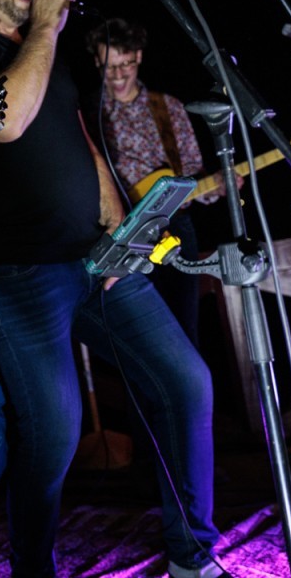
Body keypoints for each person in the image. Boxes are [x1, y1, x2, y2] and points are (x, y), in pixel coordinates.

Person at [0, 0, 221, 578]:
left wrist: (116, 223)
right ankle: (34, 568)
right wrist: (47, 30)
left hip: (94, 257)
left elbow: (76, 132)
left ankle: (193, 557)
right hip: (16, 271)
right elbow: (4, 120)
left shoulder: (39, 48)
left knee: (186, 382)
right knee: (55, 430)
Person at [84, 18, 233, 346]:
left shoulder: (168, 107)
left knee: (183, 331)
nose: (118, 75)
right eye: (109, 66)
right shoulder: (88, 113)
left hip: (171, 227)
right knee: (138, 339)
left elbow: (192, 175)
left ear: (139, 56)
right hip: (118, 233)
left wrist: (219, 186)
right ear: (96, 61)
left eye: (126, 64)